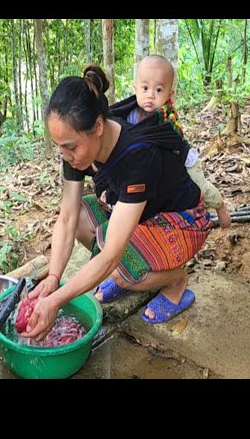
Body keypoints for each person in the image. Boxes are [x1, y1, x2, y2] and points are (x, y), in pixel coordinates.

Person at [22, 65, 212, 341]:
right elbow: (67, 218)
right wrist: (53, 276)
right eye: (59, 146)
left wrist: (55, 301)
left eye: (70, 147)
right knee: (84, 223)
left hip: (182, 222)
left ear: (98, 127)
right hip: (144, 215)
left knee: (120, 268)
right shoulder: (79, 144)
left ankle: (175, 280)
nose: (64, 155)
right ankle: (140, 274)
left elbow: (110, 254)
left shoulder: (138, 157)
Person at [110, 54, 231, 228]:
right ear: (135, 88)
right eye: (145, 88)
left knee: (200, 187)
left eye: (158, 90)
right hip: (151, 166)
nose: (150, 95)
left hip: (181, 159)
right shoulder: (128, 116)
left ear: (169, 93)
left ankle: (220, 206)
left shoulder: (167, 119)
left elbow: (173, 143)